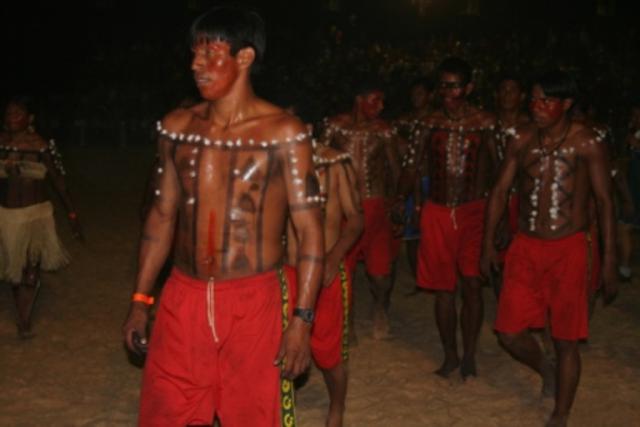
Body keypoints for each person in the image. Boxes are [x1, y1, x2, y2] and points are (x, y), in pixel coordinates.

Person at [121, 5, 324, 426]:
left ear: (245, 57)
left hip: (253, 301)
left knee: (250, 416)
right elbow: (160, 217)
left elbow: (309, 234)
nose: (195, 65)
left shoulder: (285, 132)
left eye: (209, 53)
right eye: (193, 55)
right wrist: (141, 300)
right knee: (167, 413)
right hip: (183, 296)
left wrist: (302, 320)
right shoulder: (177, 127)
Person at [480, 70, 617, 427]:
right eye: (535, 100)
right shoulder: (521, 139)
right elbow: (498, 192)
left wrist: (609, 260)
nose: (537, 107)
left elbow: (604, 202)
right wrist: (486, 245)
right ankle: (547, 369)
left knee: (566, 339)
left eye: (547, 101)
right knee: (509, 333)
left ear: (566, 104)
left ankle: (560, 413)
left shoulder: (586, 142)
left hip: (569, 248)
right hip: (525, 246)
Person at [398, 57, 498, 379]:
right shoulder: (428, 123)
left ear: (468, 87)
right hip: (438, 211)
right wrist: (401, 198)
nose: (447, 92)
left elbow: (500, 170)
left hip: (473, 211)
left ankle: (469, 353)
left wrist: (502, 219)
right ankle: (450, 354)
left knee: (471, 284)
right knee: (443, 289)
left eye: (454, 85)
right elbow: (412, 165)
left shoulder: (485, 123)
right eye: (443, 85)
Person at [286, 143, 363, 427]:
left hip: (326, 273)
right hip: (286, 272)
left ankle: (336, 408)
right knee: (278, 349)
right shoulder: (271, 160)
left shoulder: (334, 166)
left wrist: (334, 256)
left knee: (329, 354)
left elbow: (356, 218)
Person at [321, 82, 401, 339]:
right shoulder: (335, 125)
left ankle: (380, 308)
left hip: (375, 205)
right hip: (343, 205)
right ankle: (347, 320)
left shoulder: (383, 130)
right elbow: (319, 160)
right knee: (344, 268)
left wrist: (397, 201)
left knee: (381, 273)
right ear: (359, 99)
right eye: (375, 100)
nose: (380, 106)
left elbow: (394, 167)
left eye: (382, 101)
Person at [0, 96, 82, 338]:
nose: (12, 117)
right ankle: (22, 313)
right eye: (9, 113)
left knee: (30, 270)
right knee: (14, 271)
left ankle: (24, 320)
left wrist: (72, 213)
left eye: (18, 113)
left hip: (35, 216)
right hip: (6, 217)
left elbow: (58, 180)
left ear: (30, 118)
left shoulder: (41, 145)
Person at [394, 77, 434, 279]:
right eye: (413, 94)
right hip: (411, 180)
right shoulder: (403, 121)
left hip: (433, 181)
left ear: (430, 96)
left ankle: (433, 276)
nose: (416, 98)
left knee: (432, 232)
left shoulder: (437, 122)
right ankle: (417, 278)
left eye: (420, 93)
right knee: (411, 234)